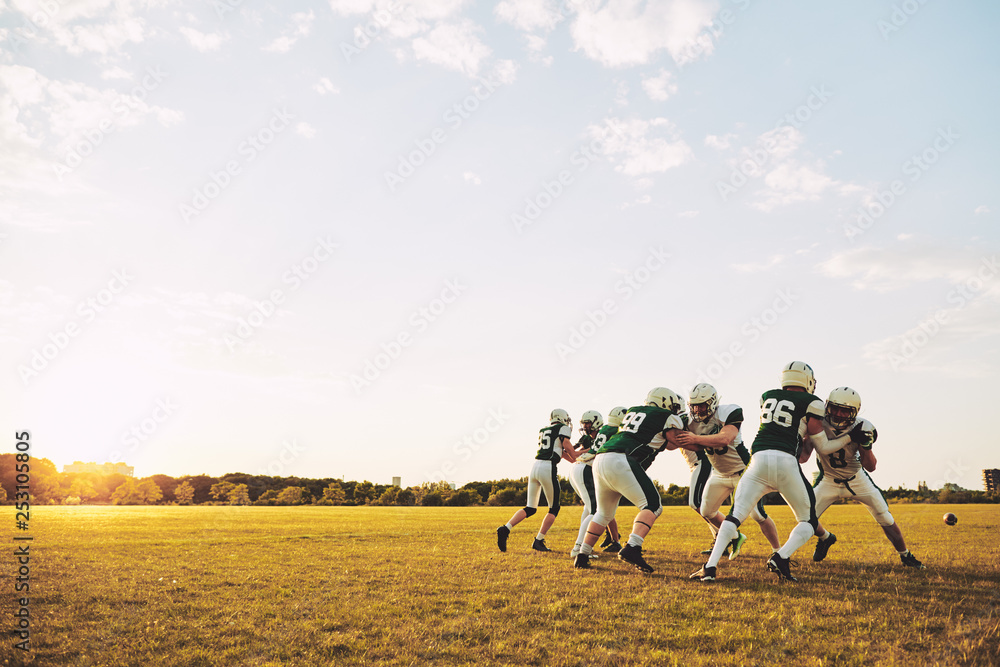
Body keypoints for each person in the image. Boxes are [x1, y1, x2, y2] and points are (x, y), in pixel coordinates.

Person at [691, 361, 865, 583]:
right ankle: (781, 556)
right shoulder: (813, 402)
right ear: (808, 381)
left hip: (758, 459)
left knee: (735, 516)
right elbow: (822, 446)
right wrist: (851, 437)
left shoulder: (767, 396)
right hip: (785, 461)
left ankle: (710, 568)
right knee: (808, 521)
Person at [802, 386, 925, 569]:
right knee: (805, 518)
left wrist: (866, 447)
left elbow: (871, 466)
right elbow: (803, 458)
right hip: (828, 479)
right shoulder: (818, 424)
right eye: (835, 408)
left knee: (885, 517)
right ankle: (824, 538)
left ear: (854, 412)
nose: (838, 414)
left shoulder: (862, 427)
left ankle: (905, 555)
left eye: (845, 410)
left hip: (856, 478)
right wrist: (804, 439)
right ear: (827, 406)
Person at [573, 388, 685, 573]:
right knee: (653, 505)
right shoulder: (664, 415)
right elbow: (676, 440)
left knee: (603, 513)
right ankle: (633, 547)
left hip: (600, 459)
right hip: (621, 459)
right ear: (664, 403)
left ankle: (583, 554)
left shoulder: (633, 411)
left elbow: (664, 441)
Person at [675, 383, 782, 558]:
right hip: (719, 474)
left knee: (758, 515)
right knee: (706, 511)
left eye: (701, 405)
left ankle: (778, 551)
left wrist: (695, 438)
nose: (697, 409)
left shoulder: (727, 412)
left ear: (712, 402)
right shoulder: (689, 421)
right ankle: (735, 536)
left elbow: (725, 438)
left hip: (744, 473)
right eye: (694, 405)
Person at [497, 408, 577, 552]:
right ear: (563, 418)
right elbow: (567, 448)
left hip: (535, 467)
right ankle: (539, 540)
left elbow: (563, 453)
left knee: (530, 508)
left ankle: (505, 528)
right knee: (554, 508)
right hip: (548, 467)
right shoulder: (563, 428)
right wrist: (581, 454)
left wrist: (577, 454)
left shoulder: (544, 430)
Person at [569, 407, 626, 558]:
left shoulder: (605, 430)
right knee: (596, 511)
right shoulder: (615, 432)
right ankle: (579, 549)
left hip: (579, 467)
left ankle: (589, 545)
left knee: (589, 509)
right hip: (585, 468)